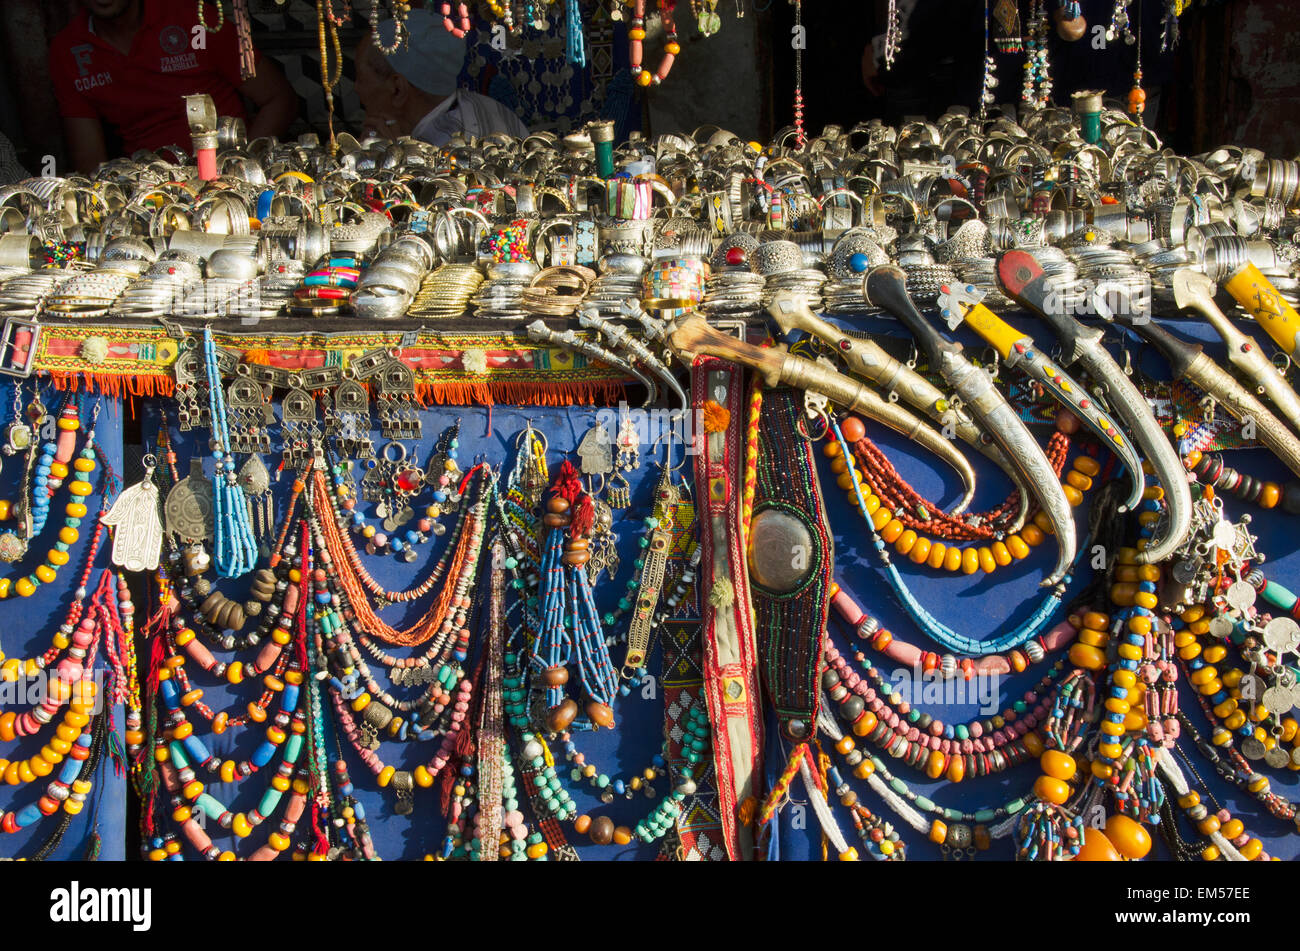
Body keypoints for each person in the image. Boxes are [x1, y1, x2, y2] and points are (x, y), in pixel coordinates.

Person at [49, 0, 298, 173]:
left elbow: (279, 99)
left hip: (228, 169)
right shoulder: (68, 50)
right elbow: (90, 163)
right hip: (151, 187)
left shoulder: (195, 19)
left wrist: (242, 166)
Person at [354, 8, 528, 146]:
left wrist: (394, 159)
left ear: (398, 89)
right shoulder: (478, 106)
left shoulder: (458, 143)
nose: (356, 88)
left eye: (360, 78)